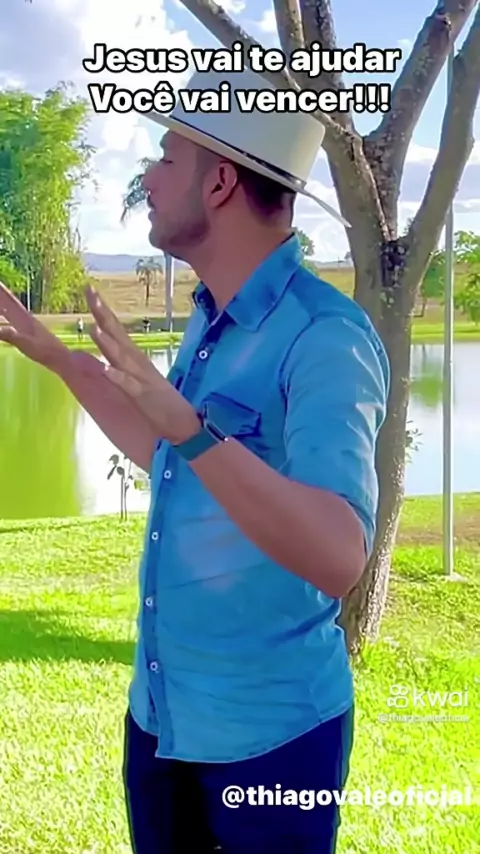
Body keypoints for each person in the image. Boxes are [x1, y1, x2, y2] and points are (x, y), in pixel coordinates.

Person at [0, 67, 390, 854]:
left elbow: (339, 555)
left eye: (167, 157)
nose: (147, 176)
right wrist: (54, 356)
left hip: (272, 739)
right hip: (162, 722)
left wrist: (193, 431)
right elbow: (172, 454)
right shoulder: (211, 321)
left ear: (219, 182)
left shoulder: (325, 337)